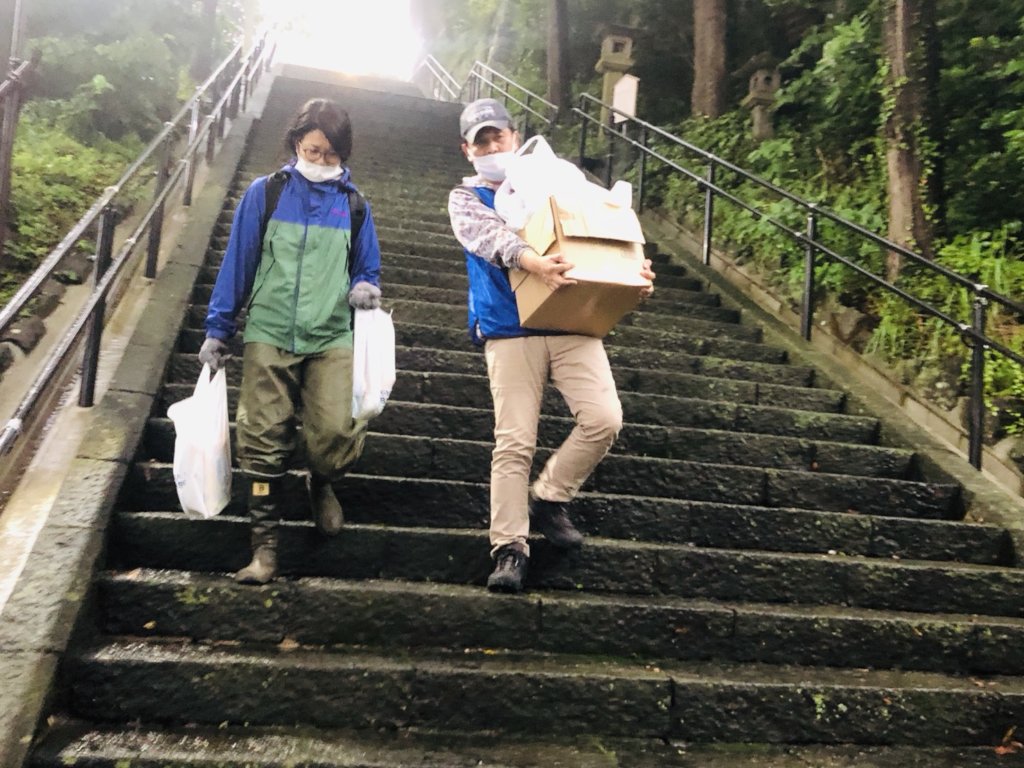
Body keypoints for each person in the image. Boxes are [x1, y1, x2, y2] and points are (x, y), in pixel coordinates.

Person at [447, 98, 656, 594]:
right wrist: (531, 260)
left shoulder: (558, 185)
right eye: (482, 141)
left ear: (515, 138)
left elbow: (601, 232)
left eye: (498, 137)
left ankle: (550, 496)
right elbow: (486, 237)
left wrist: (632, 272)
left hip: (571, 324)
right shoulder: (466, 197)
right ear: (467, 150)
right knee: (514, 440)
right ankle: (509, 548)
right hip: (508, 328)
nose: (492, 147)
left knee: (605, 418)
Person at [198, 97, 382, 585]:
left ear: (343, 153)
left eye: (330, 154)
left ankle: (321, 481)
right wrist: (219, 328)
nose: (319, 161)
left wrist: (365, 287)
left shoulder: (355, 205)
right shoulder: (267, 193)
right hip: (270, 329)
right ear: (296, 143)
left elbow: (367, 267)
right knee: (262, 439)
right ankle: (265, 550)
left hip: (331, 334)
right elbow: (237, 261)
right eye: (312, 150)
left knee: (336, 433)